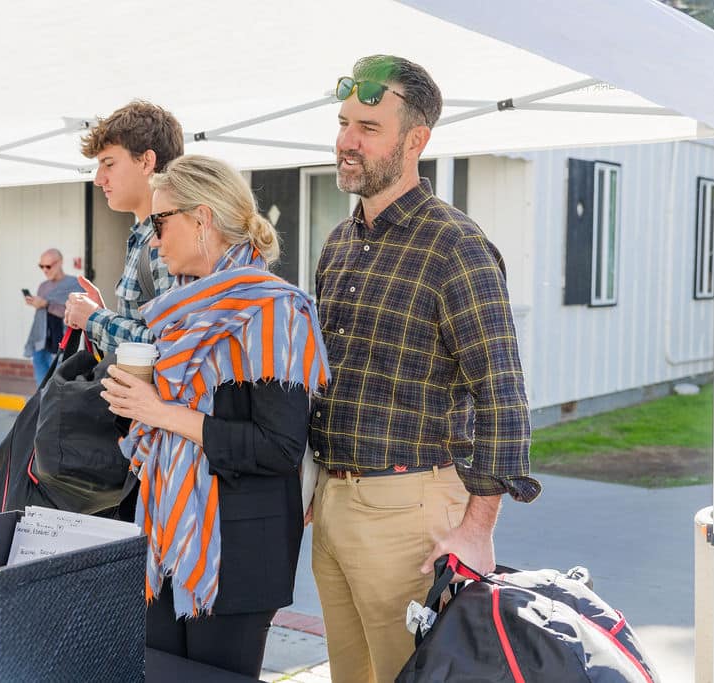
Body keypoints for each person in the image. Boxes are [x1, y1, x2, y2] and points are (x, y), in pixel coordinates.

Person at [308, 55, 542, 683]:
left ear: (416, 140)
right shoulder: (338, 243)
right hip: (331, 504)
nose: (346, 142)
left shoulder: (455, 247)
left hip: (410, 514)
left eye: (368, 128)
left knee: (411, 677)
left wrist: (477, 529)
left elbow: (504, 397)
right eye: (343, 123)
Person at [100, 155, 330, 677]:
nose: (154, 240)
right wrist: (133, 407)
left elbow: (278, 447)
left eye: (161, 223)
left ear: (202, 219)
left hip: (238, 554)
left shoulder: (274, 311)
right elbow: (159, 427)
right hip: (163, 537)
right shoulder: (181, 308)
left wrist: (160, 412)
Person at [64, 100, 183, 353]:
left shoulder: (168, 238)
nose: (98, 179)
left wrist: (95, 318)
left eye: (109, 163)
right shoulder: (145, 234)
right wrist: (101, 313)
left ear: (146, 162)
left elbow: (172, 347)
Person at [23, 248, 83, 385]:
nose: (45, 270)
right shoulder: (43, 286)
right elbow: (41, 317)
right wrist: (37, 304)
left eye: (48, 266)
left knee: (58, 387)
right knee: (41, 387)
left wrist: (46, 304)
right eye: (41, 266)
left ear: (60, 262)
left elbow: (76, 313)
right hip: (41, 342)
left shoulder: (74, 284)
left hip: (62, 344)